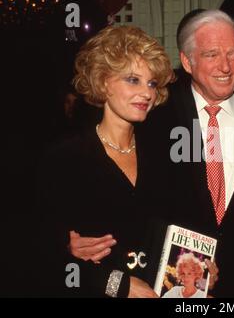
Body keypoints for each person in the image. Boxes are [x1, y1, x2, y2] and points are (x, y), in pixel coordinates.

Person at [68, 9, 234, 297]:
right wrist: (69, 242)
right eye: (212, 54)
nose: (226, 66)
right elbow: (122, 205)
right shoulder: (153, 117)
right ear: (187, 61)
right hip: (169, 283)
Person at [36, 25, 174, 297]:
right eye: (133, 80)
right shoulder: (64, 159)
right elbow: (41, 258)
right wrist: (118, 285)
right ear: (102, 81)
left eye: (152, 83)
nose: (147, 93)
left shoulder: (164, 156)